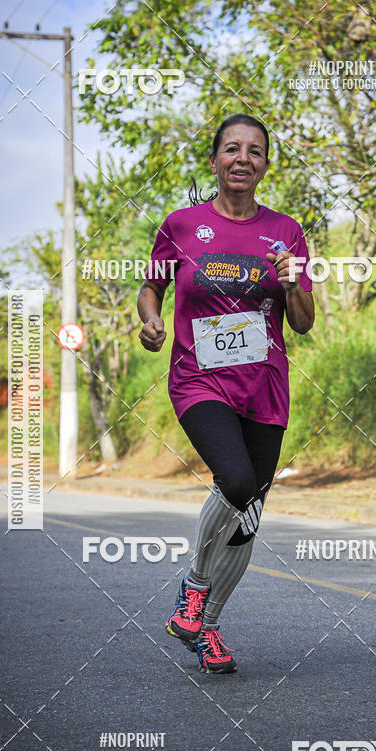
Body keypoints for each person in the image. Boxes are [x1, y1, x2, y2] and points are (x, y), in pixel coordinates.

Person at [138, 113, 314, 674]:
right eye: (232, 148)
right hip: (200, 379)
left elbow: (303, 322)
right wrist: (150, 322)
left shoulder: (286, 231)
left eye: (255, 150)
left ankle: (207, 626)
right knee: (236, 482)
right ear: (214, 160)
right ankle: (193, 589)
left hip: (265, 386)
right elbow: (151, 288)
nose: (243, 158)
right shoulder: (182, 226)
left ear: (266, 165)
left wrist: (292, 282)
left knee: (248, 518)